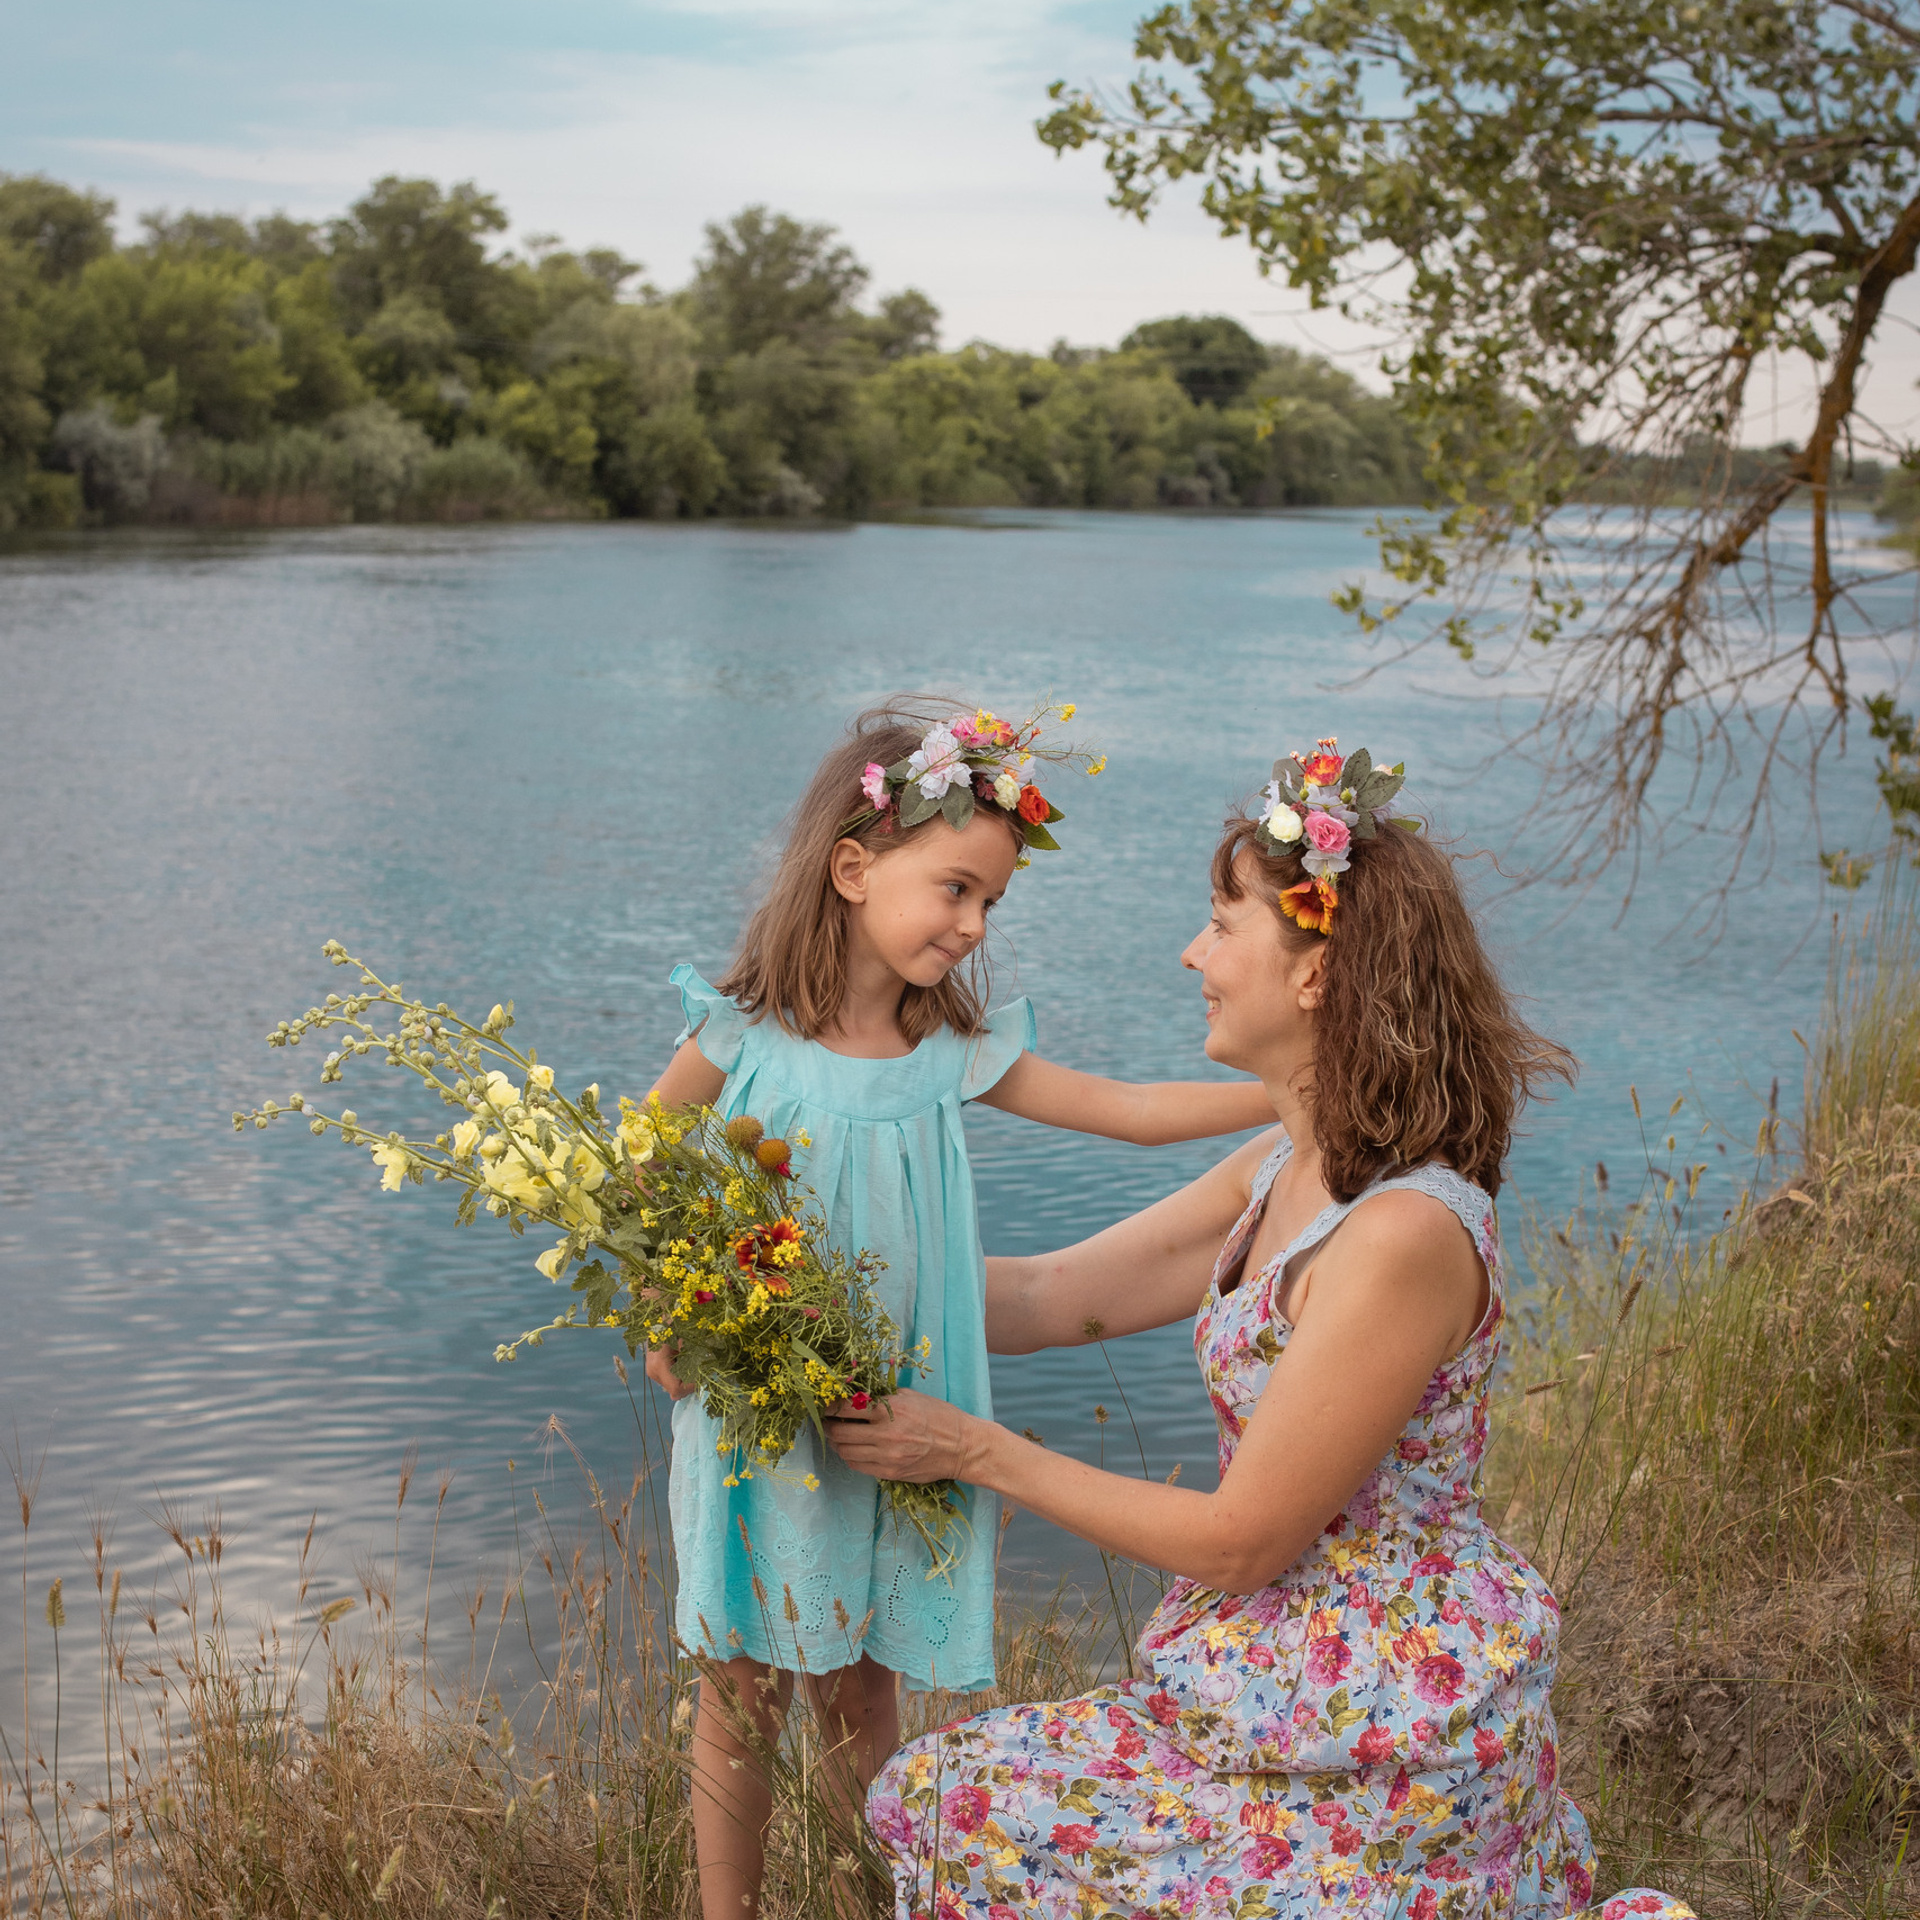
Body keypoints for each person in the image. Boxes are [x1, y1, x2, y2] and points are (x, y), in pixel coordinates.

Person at [830, 740, 1694, 1920]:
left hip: (1390, 1711)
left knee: (960, 1808)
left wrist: (973, 1451)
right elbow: (1040, 1299)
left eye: (1222, 924)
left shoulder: (1401, 1235)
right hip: (1263, 1677)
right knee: (931, 1799)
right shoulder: (1280, 1168)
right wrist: (799, 1275)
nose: (1194, 952)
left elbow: (1240, 1544)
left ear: (1315, 975)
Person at [645, 698, 1278, 1920]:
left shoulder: (952, 1054)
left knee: (862, 1692)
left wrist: (1296, 1094)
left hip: (894, 1414)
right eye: (955, 891)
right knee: (740, 1692)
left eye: (990, 903)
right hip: (760, 1408)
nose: (974, 926)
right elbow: (642, 1162)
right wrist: (667, 1307)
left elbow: (1135, 1113)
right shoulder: (747, 1037)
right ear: (850, 869)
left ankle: (888, 1898)